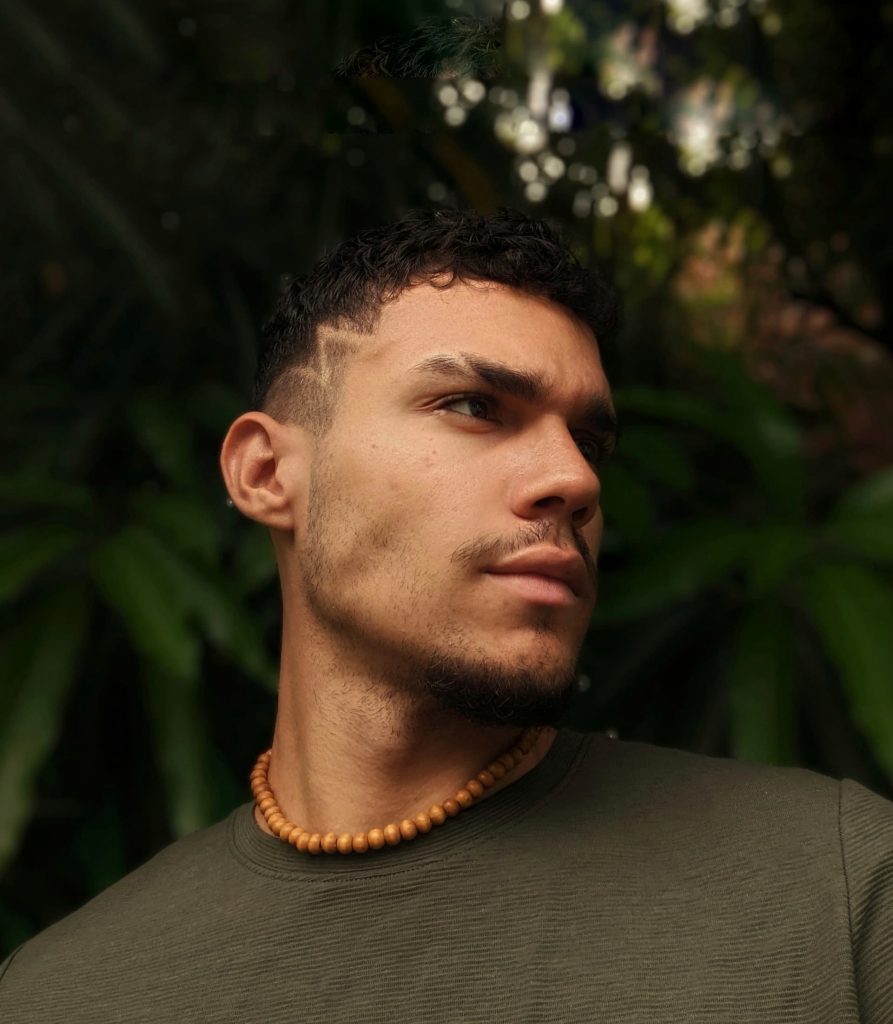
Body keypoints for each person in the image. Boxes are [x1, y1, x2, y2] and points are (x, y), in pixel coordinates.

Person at [1, 207, 890, 1023]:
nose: (575, 478)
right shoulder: (61, 995)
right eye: (472, 406)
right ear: (266, 474)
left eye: (589, 440)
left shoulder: (838, 890)